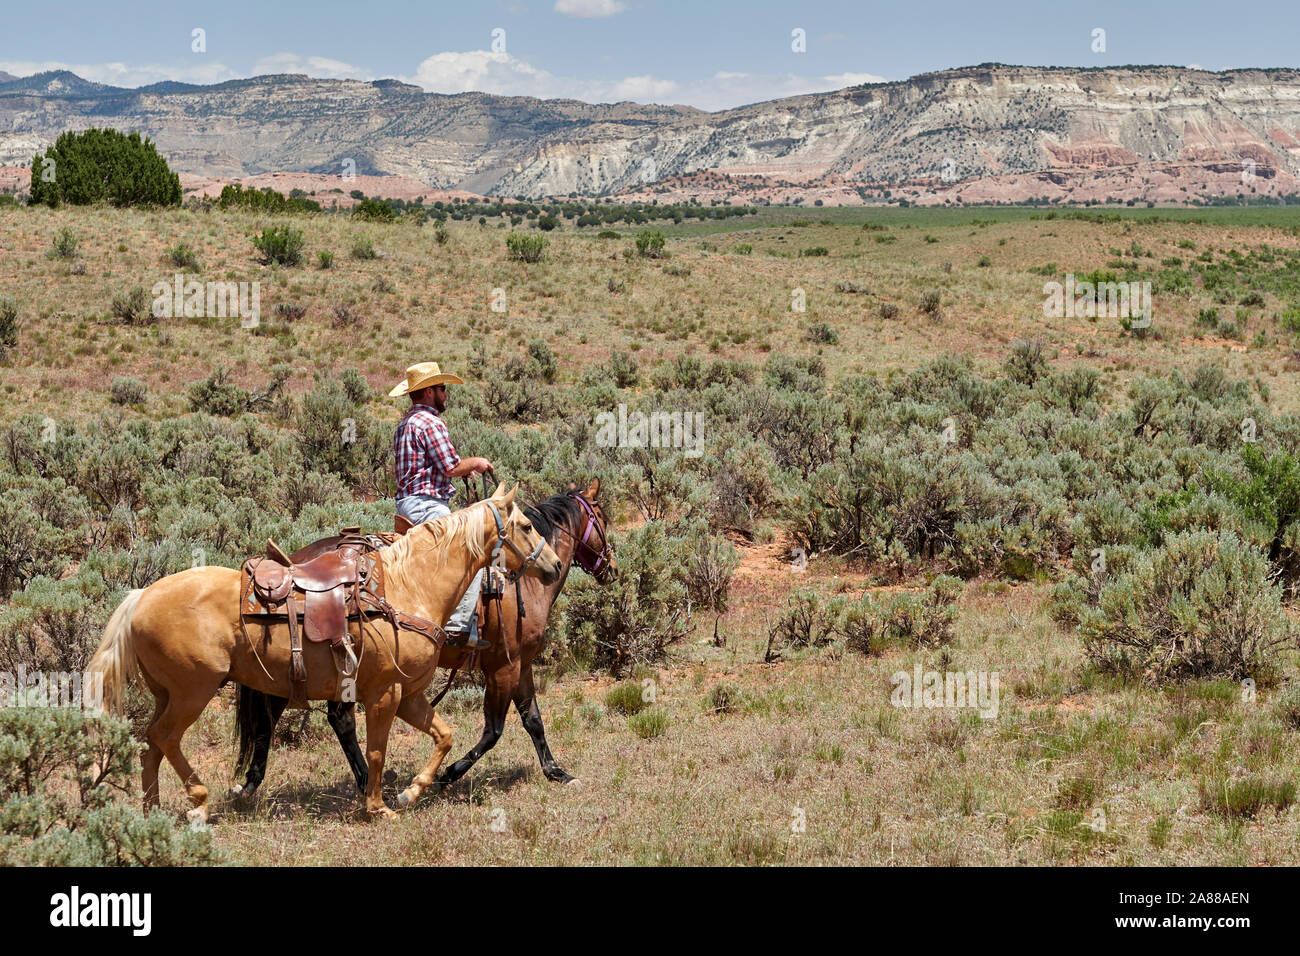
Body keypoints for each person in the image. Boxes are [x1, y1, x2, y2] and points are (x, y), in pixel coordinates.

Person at [389, 361, 495, 649]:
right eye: (441, 388)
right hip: (429, 507)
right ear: (427, 392)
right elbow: (450, 467)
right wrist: (477, 463)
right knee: (472, 554)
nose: (445, 394)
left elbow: (428, 468)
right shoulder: (430, 422)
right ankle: (458, 625)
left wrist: (463, 470)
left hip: (407, 506)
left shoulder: (404, 426)